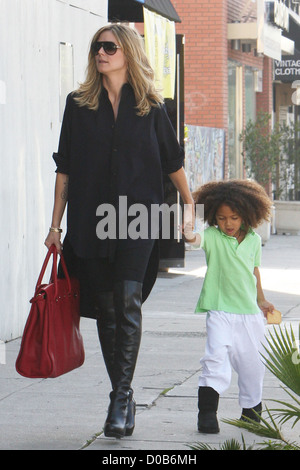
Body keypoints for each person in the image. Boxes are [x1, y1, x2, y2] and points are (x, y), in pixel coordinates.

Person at [45, 23, 194, 439]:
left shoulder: (151, 105)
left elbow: (172, 162)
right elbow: (65, 170)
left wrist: (190, 206)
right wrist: (55, 225)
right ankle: (122, 396)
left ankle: (119, 396)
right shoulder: (78, 105)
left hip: (138, 216)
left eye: (109, 47)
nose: (101, 53)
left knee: (128, 301)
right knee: (107, 310)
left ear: (127, 52)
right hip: (90, 220)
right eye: (96, 47)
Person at [184, 179, 274, 434]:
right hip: (220, 311)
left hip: (249, 314)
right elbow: (194, 239)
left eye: (234, 217)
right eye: (222, 218)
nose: (228, 223)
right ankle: (207, 414)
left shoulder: (254, 240)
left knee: (253, 364)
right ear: (214, 217)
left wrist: (262, 300)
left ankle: (251, 412)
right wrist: (188, 229)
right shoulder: (213, 236)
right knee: (214, 359)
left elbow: (254, 271)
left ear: (246, 214)